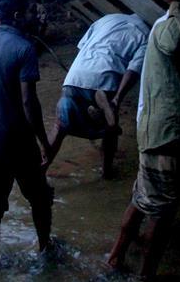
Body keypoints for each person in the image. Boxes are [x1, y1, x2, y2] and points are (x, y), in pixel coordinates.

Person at [106, 0, 180, 278]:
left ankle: (115, 260)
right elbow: (171, 41)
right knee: (161, 213)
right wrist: (175, 6)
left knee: (141, 199)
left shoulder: (164, 31)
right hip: (166, 136)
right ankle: (145, 273)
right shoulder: (166, 27)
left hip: (158, 133)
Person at [0, 0, 53, 267]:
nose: (36, 15)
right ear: (18, 16)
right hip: (17, 140)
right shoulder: (24, 48)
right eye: (32, 10)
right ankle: (46, 251)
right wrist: (45, 143)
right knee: (40, 198)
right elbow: (29, 103)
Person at [46, 13, 149, 179]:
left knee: (59, 126)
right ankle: (107, 172)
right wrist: (117, 99)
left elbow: (82, 47)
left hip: (75, 76)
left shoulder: (107, 18)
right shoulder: (145, 34)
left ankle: (40, 168)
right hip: (105, 77)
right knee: (110, 130)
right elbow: (133, 71)